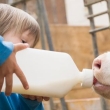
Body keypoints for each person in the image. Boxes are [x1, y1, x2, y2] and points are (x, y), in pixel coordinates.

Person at [0, 3, 49, 110]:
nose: (27, 50)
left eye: (30, 47)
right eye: (23, 41)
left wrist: (30, 103)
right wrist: (3, 51)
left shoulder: (14, 84)